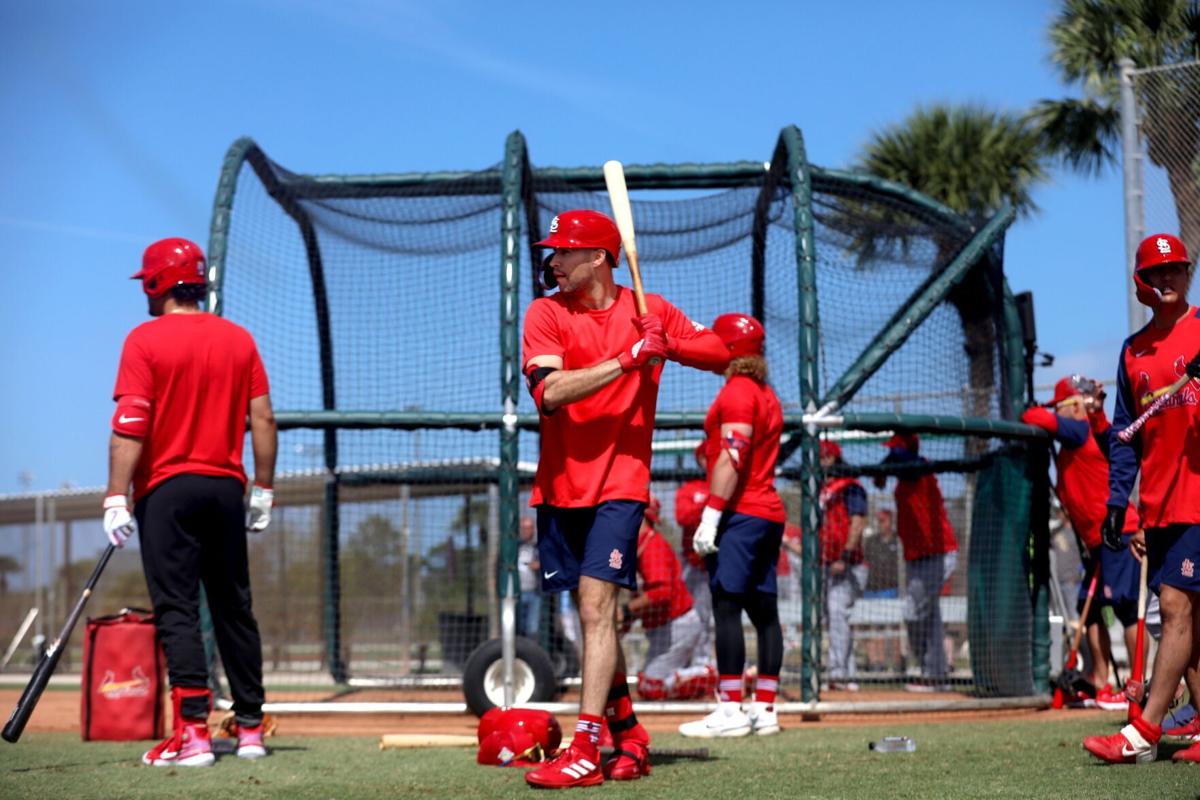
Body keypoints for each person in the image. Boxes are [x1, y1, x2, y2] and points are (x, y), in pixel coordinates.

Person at [520, 209, 730, 788]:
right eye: (553, 251)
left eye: (564, 251)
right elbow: (550, 392)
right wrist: (627, 359)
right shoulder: (545, 313)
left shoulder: (649, 309)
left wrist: (667, 345)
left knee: (595, 610)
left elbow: (720, 354)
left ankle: (587, 746)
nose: (554, 261)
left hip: (621, 483)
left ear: (599, 258)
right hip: (561, 487)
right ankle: (629, 733)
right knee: (595, 621)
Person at [101, 238, 277, 767]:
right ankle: (250, 730)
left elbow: (131, 424)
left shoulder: (144, 340)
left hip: (167, 488)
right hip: (227, 488)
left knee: (178, 608)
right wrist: (264, 488)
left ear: (158, 283)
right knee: (233, 607)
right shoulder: (238, 338)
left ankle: (194, 733)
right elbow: (263, 420)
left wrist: (115, 495)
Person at [1083, 232, 1200, 764]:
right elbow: (1125, 434)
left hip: (1198, 497)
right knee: (1188, 624)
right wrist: (1116, 502)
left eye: (1176, 268)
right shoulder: (1133, 352)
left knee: (1175, 608)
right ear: (1143, 283)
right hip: (1158, 504)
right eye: (1158, 272)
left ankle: (1143, 731)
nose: (1169, 278)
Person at [678, 313, 786, 739]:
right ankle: (765, 709)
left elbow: (733, 455)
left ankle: (730, 710)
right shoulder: (763, 392)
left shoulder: (738, 391)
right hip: (767, 512)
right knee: (764, 611)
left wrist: (712, 512)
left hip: (743, 512)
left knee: (726, 604)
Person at [1020, 375, 1142, 710]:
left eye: (1063, 406)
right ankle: (1099, 680)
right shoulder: (1075, 436)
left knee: (1125, 606)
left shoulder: (1080, 429)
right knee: (1087, 611)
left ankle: (1136, 685)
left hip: (1120, 533)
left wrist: (1070, 410)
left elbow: (1034, 418)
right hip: (1097, 542)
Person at [873, 432, 958, 691]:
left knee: (914, 613)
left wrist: (886, 465)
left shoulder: (920, 470)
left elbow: (900, 460)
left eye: (894, 450)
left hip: (937, 555)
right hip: (917, 557)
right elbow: (885, 472)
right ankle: (935, 674)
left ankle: (929, 671)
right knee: (929, 616)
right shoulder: (904, 479)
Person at [623, 494, 716, 701]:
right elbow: (648, 597)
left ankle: (717, 675)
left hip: (678, 625)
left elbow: (661, 593)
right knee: (648, 686)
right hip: (666, 628)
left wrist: (626, 610)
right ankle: (708, 677)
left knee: (651, 686)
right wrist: (628, 618)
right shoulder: (639, 545)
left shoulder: (652, 546)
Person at [815, 440, 868, 691]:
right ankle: (848, 674)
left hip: (850, 565)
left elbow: (858, 522)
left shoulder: (850, 487)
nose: (822, 462)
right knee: (835, 619)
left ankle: (838, 673)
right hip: (828, 565)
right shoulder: (820, 489)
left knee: (836, 614)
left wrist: (844, 556)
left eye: (826, 457)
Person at [675, 445, 716, 660]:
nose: (707, 460)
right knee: (695, 617)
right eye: (704, 456)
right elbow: (683, 517)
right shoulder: (691, 488)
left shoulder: (729, 484)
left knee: (717, 617)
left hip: (723, 562)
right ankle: (695, 666)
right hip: (694, 563)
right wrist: (712, 504)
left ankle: (705, 666)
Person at [862, 510, 904, 674]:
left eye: (884, 521)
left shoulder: (897, 541)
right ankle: (876, 663)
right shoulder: (872, 542)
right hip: (873, 590)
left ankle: (896, 663)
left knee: (893, 628)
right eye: (879, 521)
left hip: (891, 590)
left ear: (891, 522)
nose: (881, 524)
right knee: (874, 628)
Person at [516, 516, 542, 638]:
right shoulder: (513, 548)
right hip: (516, 594)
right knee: (518, 626)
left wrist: (540, 565)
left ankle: (531, 654)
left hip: (534, 593)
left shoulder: (538, 548)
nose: (528, 531)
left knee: (532, 628)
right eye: (525, 528)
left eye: (530, 528)